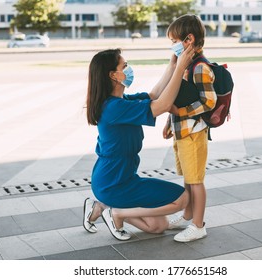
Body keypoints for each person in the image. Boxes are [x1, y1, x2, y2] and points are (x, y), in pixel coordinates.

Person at [83, 46, 195, 241]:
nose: (128, 69)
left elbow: (153, 96)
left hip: (121, 180)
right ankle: (117, 213)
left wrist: (173, 65)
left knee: (157, 226)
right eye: (124, 66)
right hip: (114, 183)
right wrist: (180, 69)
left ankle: (102, 206)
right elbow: (162, 105)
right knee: (182, 198)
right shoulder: (114, 108)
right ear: (114, 75)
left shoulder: (120, 101)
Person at [163, 14, 217, 242]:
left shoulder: (199, 68)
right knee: (188, 177)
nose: (172, 46)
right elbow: (179, 96)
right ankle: (187, 215)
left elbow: (209, 101)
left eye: (175, 41)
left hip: (194, 132)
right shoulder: (186, 66)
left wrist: (180, 114)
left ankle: (198, 224)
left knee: (196, 181)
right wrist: (169, 122)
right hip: (183, 131)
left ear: (189, 39)